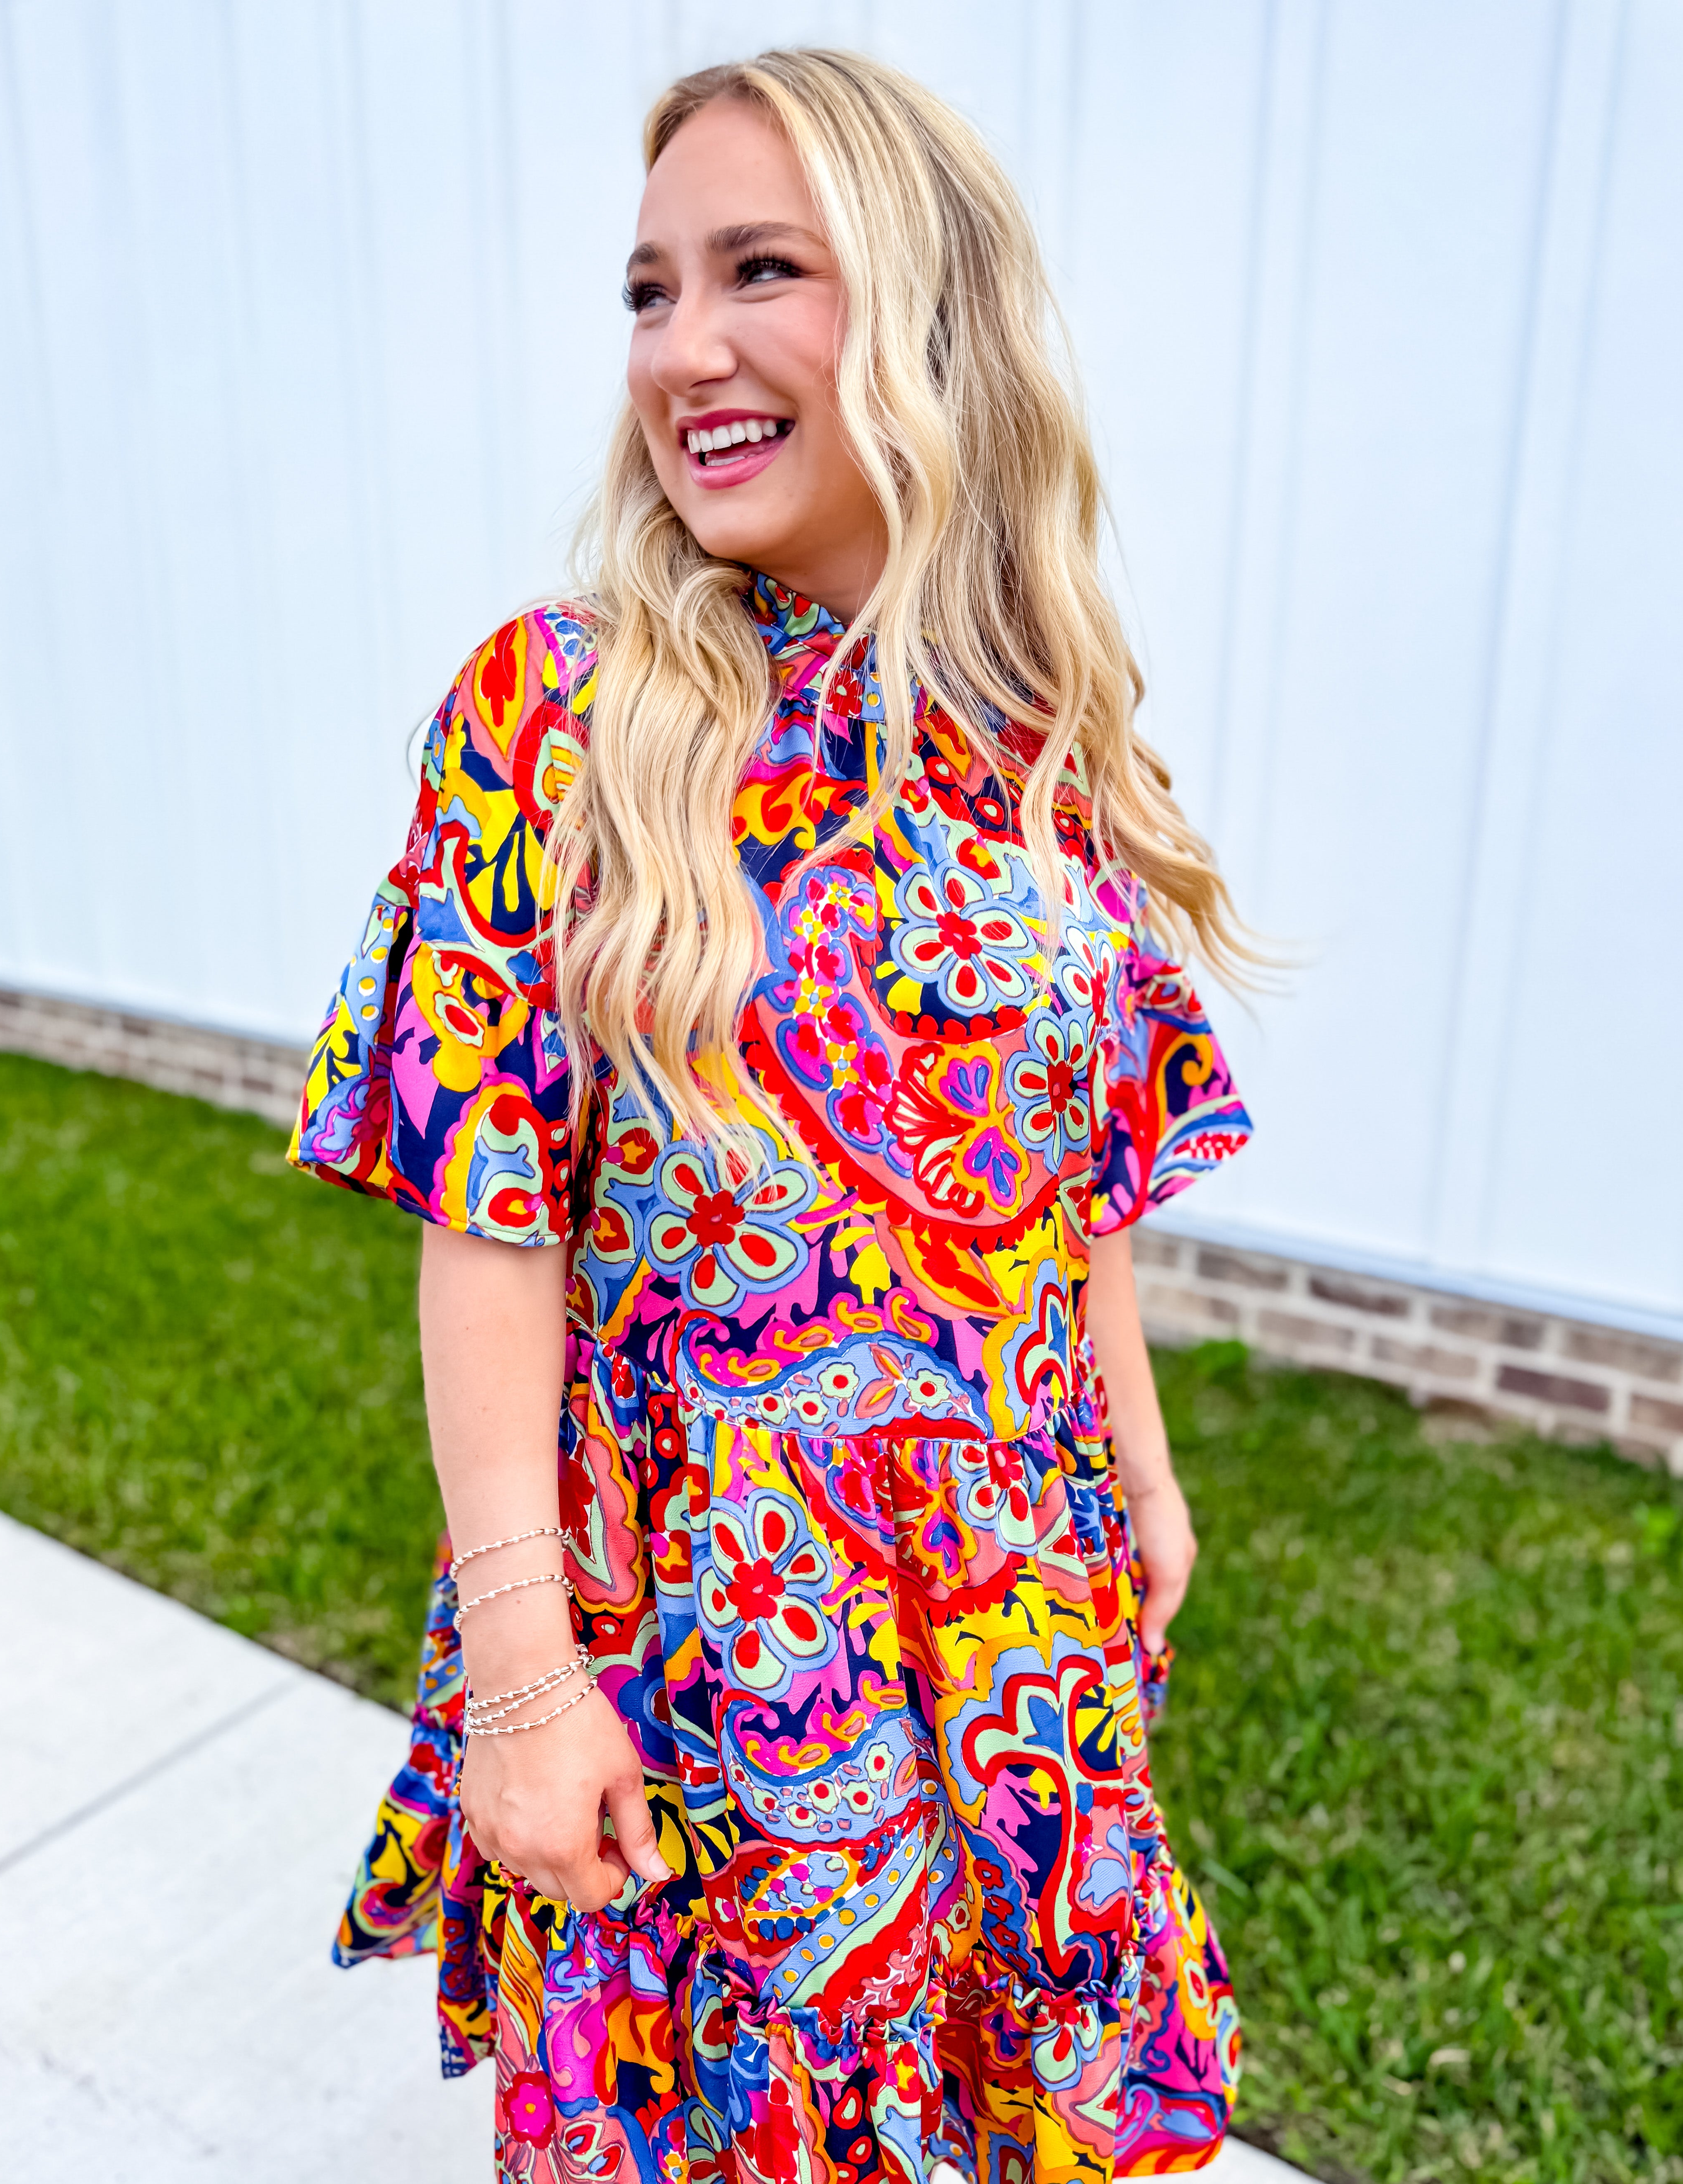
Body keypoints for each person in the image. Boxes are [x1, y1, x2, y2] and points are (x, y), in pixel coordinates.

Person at [291, 46, 1254, 2184]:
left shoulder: (1041, 740)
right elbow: (487, 1224)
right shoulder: (560, 712)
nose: (682, 352)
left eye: (758, 272)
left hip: (1019, 1626)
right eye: (650, 291)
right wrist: (524, 1681)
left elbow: (1072, 1174)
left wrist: (1144, 1462)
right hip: (718, 1665)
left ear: (924, 314)